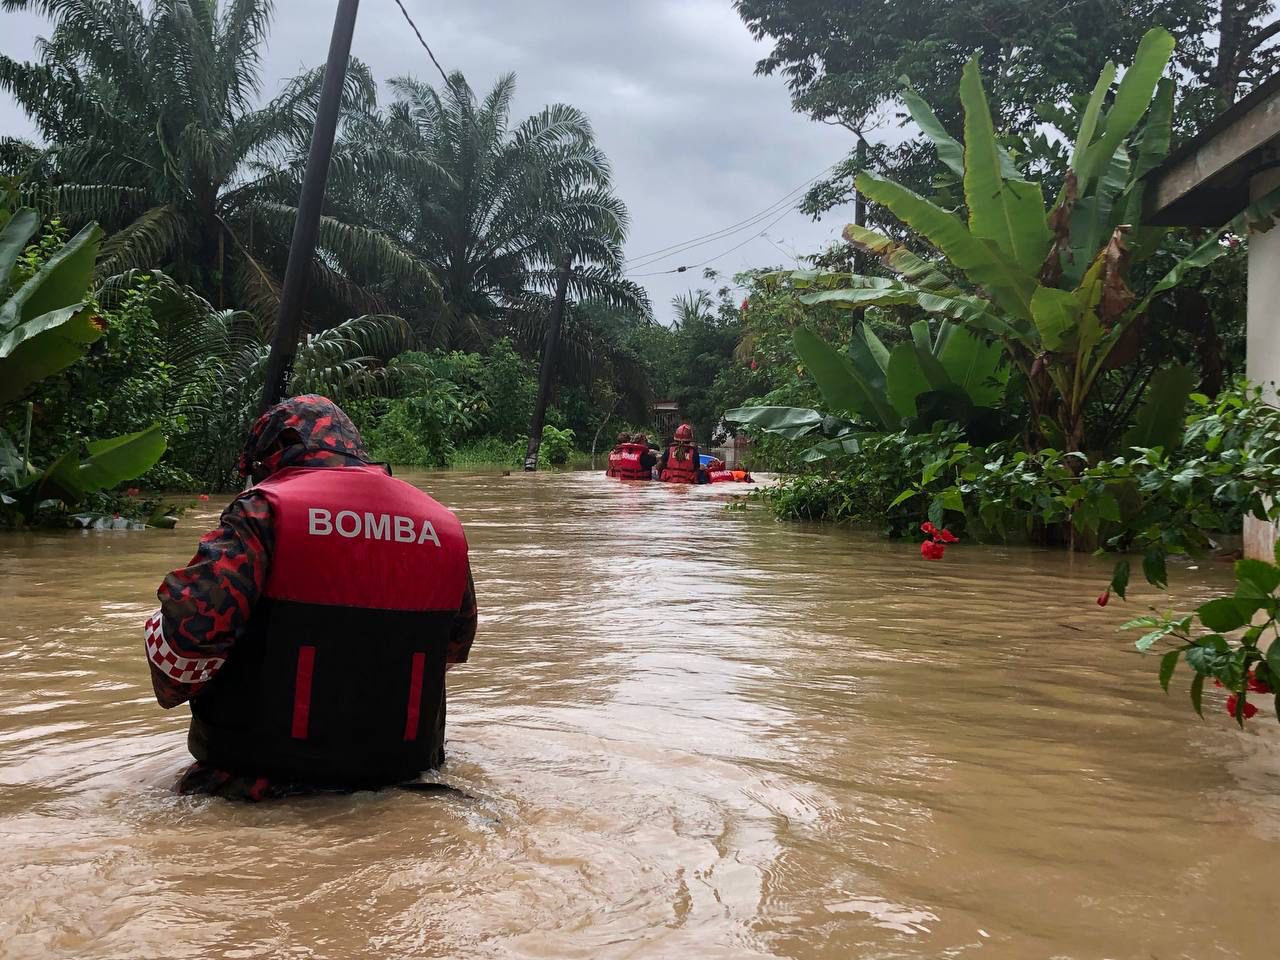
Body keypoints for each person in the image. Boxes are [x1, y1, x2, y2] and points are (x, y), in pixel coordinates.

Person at [142, 395, 477, 801]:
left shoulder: (263, 511)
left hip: (257, 789)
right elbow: (453, 649)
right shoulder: (444, 526)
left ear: (272, 455)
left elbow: (181, 658)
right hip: (408, 784)